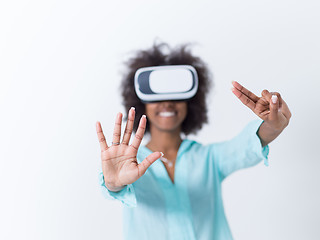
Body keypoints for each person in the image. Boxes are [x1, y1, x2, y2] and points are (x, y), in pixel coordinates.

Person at [96, 42, 291, 240]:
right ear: (141, 102)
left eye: (176, 93)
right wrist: (113, 183)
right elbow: (115, 185)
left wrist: (273, 125)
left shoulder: (209, 158)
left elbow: (248, 145)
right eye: (157, 94)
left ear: (191, 102)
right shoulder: (128, 163)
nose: (167, 102)